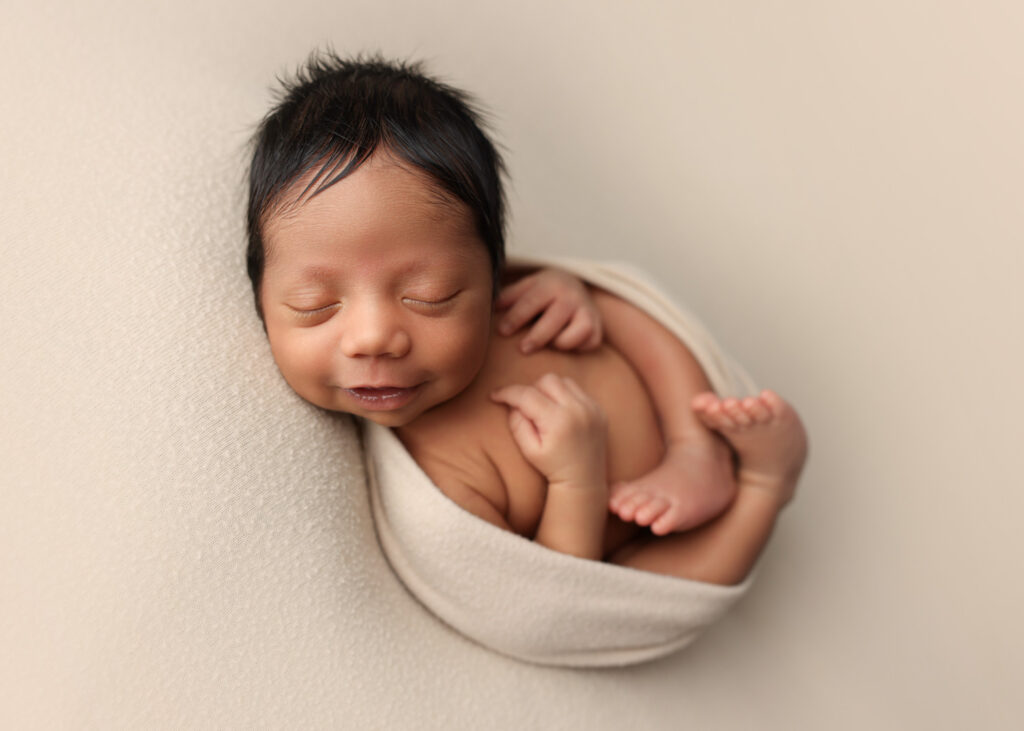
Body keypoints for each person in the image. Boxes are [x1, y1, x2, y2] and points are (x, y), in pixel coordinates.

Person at [245, 52, 808, 585]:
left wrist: (572, 293)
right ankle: (765, 484)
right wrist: (576, 479)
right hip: (631, 542)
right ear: (261, 297)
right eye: (314, 306)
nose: (373, 338)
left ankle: (696, 446)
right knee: (664, 576)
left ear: (490, 275)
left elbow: (602, 303)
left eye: (428, 294)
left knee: (618, 311)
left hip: (675, 415)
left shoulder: (511, 305)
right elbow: (557, 589)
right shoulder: (443, 485)